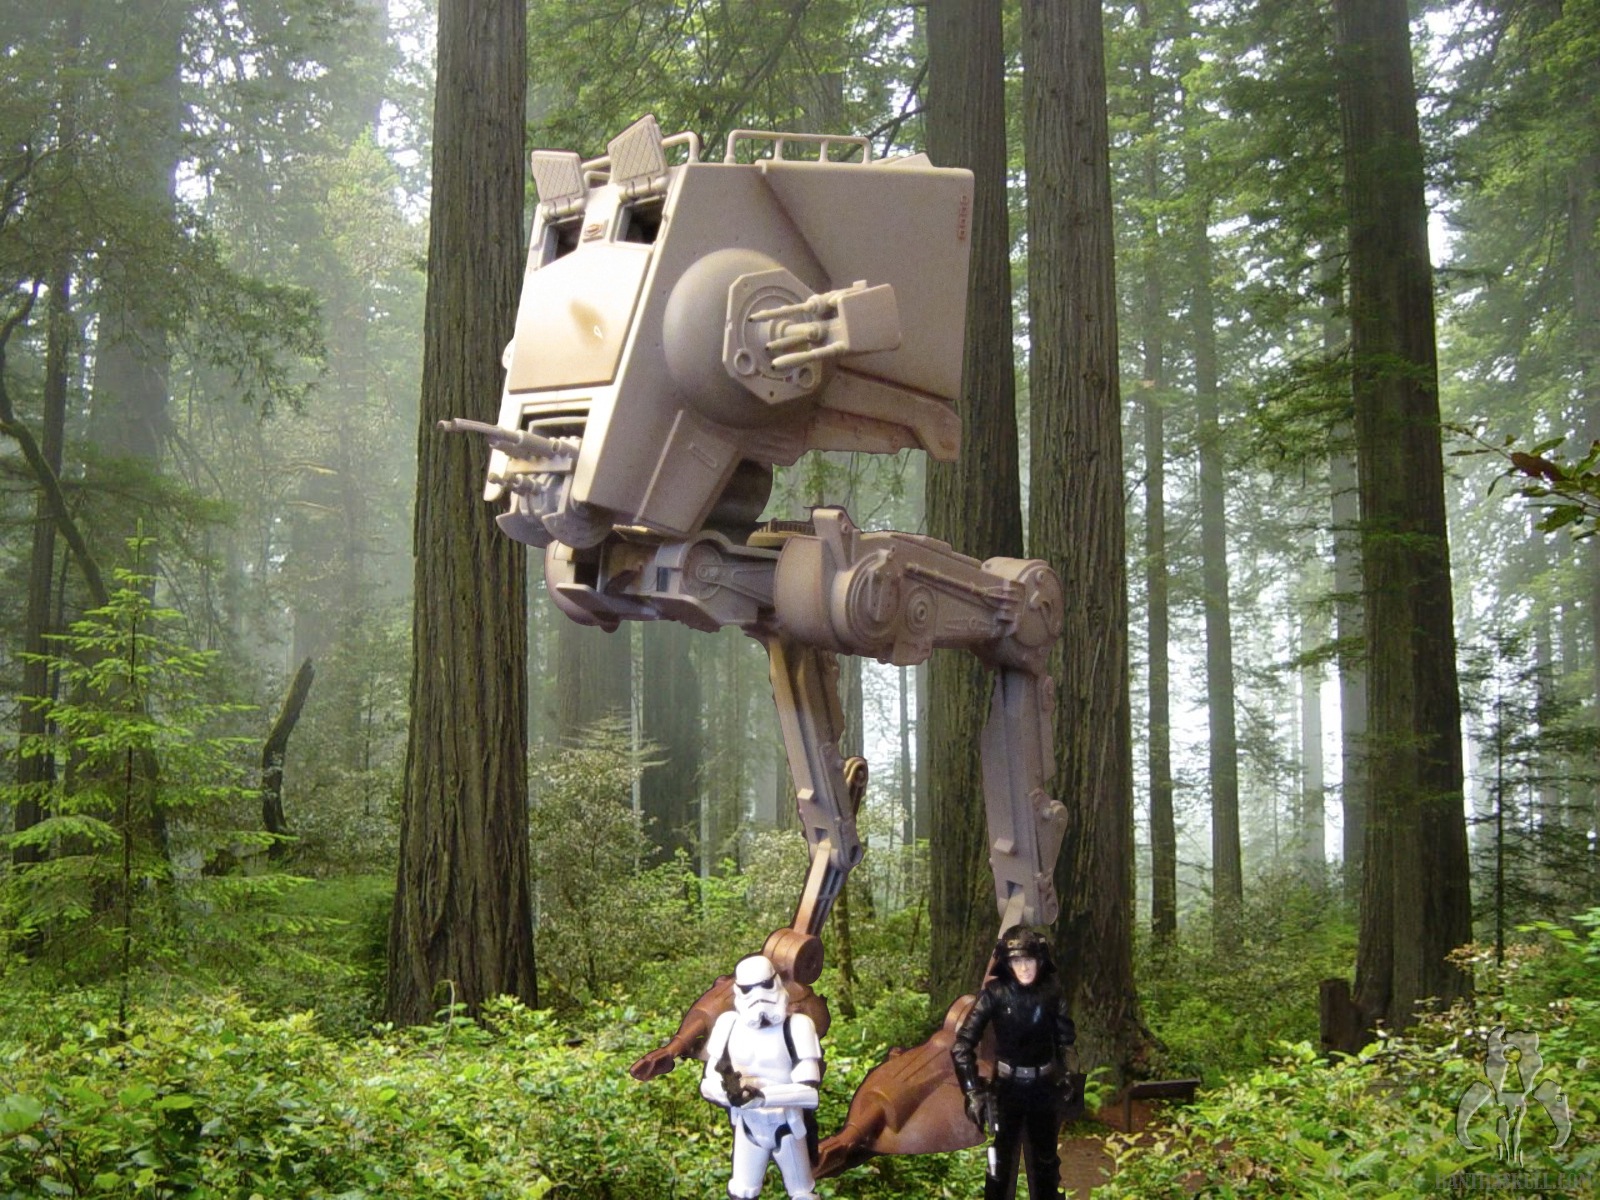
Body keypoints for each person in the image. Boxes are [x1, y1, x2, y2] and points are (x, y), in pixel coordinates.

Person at [951, 926, 1076, 1200]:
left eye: (1029, 959)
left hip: (1043, 1088)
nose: (1024, 967)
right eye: (1017, 961)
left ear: (1040, 961)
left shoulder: (1052, 992)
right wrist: (972, 1090)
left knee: (1046, 1165)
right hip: (1006, 1090)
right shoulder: (994, 994)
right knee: (999, 1167)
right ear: (1007, 964)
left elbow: (1066, 1040)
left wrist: (1068, 1076)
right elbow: (962, 1045)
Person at [700, 954, 823, 1199]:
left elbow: (809, 1093)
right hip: (748, 1125)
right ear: (738, 991)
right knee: (742, 1192)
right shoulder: (728, 1025)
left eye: (765, 985)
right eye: (749, 989)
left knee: (802, 1193)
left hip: (786, 1124)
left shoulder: (797, 1026)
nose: (758, 996)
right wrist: (728, 1095)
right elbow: (707, 1084)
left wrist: (762, 1097)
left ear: (776, 983)